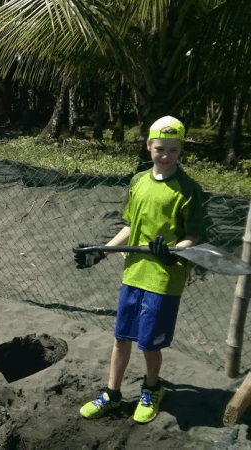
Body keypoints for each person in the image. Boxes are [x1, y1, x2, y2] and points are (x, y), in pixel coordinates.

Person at [74, 116, 205, 424]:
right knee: (121, 337)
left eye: (174, 150)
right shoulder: (138, 182)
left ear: (181, 149)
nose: (166, 155)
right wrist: (101, 253)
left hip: (164, 278)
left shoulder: (188, 189)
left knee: (148, 342)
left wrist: (174, 250)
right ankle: (111, 393)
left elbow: (194, 236)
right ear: (148, 146)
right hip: (133, 273)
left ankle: (152, 388)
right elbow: (130, 226)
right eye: (161, 148)